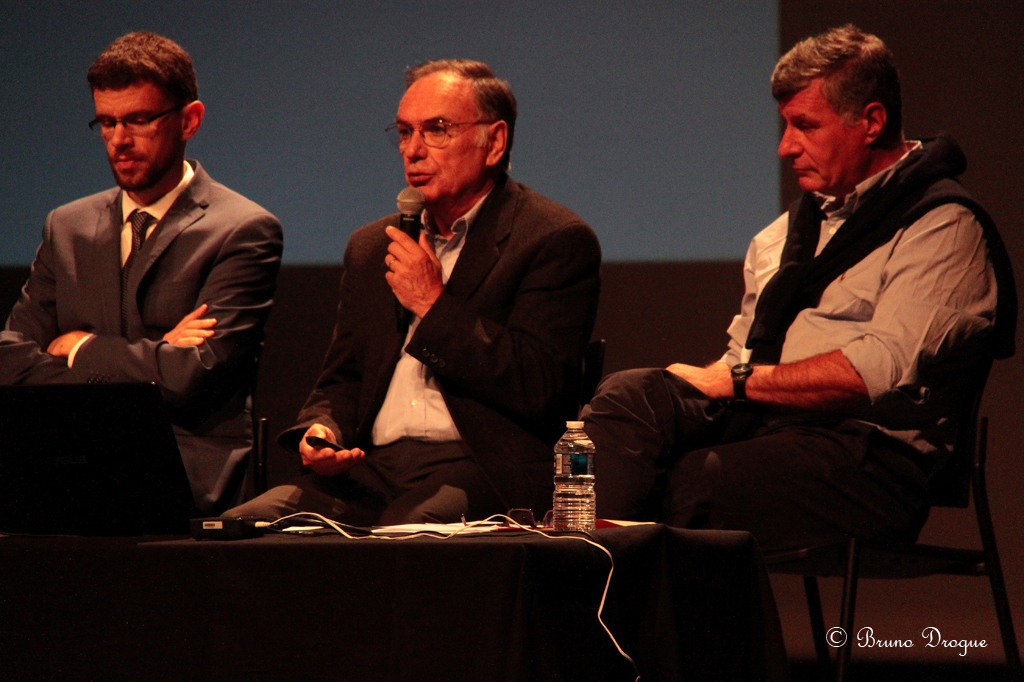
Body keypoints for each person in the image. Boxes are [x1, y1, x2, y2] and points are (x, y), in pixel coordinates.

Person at [583, 25, 1015, 551]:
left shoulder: (941, 226)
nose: (786, 147)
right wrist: (726, 381)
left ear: (871, 122)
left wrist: (737, 380)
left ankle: (602, 590)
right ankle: (585, 579)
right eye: (785, 125)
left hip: (872, 461)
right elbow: (742, 355)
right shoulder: (781, 237)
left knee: (694, 480)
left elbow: (879, 369)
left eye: (805, 126)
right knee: (630, 397)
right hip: (769, 427)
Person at [227, 59, 601, 525]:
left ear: (494, 142)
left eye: (437, 130)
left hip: (481, 467)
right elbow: (343, 379)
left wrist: (432, 303)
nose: (413, 150)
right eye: (405, 133)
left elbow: (541, 386)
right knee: (237, 531)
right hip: (372, 470)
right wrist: (324, 429)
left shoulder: (552, 239)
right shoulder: (372, 247)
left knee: (398, 542)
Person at [0, 32, 284, 515]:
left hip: (185, 483)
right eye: (106, 122)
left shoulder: (243, 229)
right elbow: (9, 359)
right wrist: (157, 355)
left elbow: (193, 375)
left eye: (137, 120)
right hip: (69, 470)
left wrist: (80, 347)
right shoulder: (67, 226)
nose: (119, 140)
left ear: (189, 120)